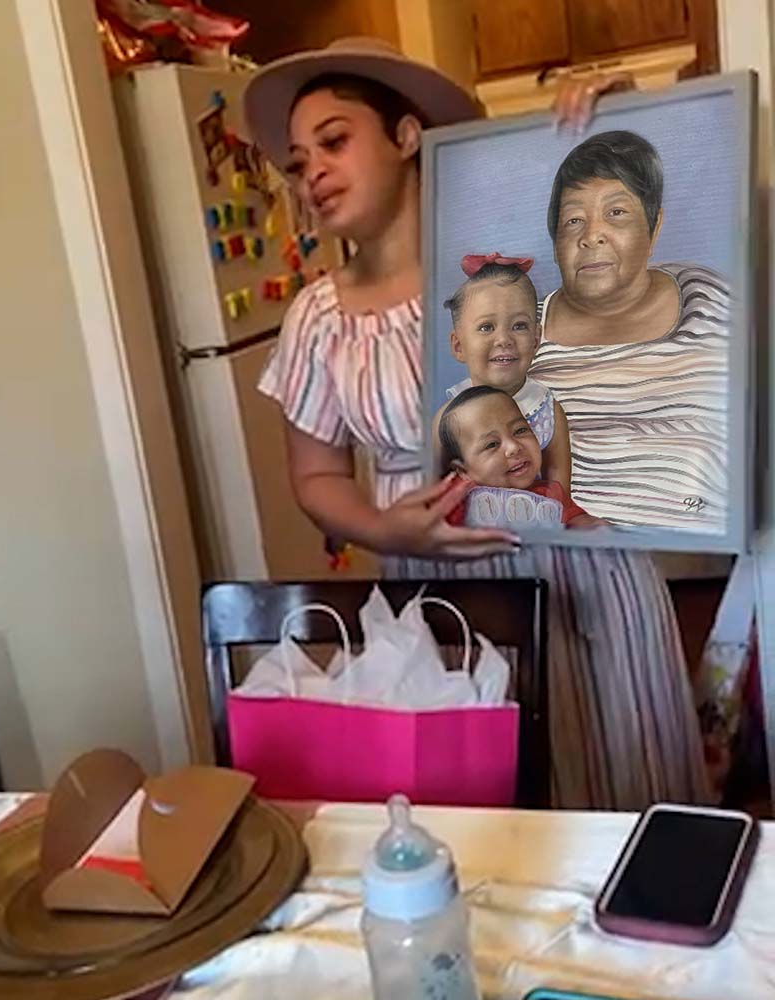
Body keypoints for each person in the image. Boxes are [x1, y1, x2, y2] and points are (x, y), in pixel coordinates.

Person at [246, 37, 709, 808]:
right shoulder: (317, 318)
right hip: (442, 588)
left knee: (624, 789)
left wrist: (633, 121)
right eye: (298, 161)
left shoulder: (517, 254)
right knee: (494, 812)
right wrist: (385, 530)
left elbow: (670, 247)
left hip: (585, 572)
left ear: (403, 138)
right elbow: (316, 473)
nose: (313, 173)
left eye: (333, 142)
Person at [530, 130, 731, 533]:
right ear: (555, 242)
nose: (592, 236)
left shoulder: (713, 302)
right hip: (567, 562)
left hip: (708, 563)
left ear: (654, 228)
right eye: (573, 220)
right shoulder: (519, 336)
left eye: (616, 212)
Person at [434, 255, 571, 491]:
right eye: (486, 327)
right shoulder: (451, 416)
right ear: (459, 346)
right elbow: (429, 487)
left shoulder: (546, 409)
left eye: (519, 326)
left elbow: (559, 490)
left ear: (536, 340)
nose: (504, 340)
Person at [438, 385, 603, 530]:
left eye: (520, 430)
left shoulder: (552, 494)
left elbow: (577, 521)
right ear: (463, 470)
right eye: (492, 445)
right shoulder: (458, 498)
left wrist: (595, 527)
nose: (514, 447)